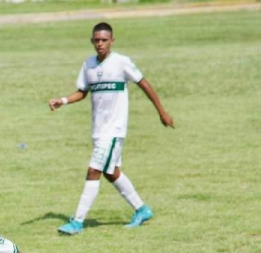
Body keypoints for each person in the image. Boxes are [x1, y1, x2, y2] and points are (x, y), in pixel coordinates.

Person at [49, 22, 174, 235]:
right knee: (111, 172)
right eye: (96, 40)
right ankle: (142, 209)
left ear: (112, 41)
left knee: (94, 170)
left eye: (104, 40)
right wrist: (63, 100)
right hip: (98, 131)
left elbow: (144, 84)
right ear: (92, 41)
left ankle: (77, 221)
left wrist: (161, 111)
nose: (100, 44)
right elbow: (82, 91)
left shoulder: (121, 63)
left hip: (114, 130)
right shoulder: (88, 65)